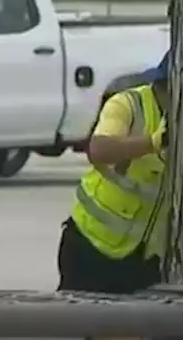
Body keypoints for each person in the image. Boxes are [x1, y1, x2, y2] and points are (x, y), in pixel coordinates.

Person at [57, 51, 171, 293]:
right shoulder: (128, 104)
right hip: (91, 245)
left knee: (133, 327)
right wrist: (152, 143)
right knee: (83, 322)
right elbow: (98, 149)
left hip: (143, 255)